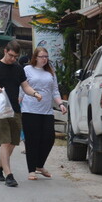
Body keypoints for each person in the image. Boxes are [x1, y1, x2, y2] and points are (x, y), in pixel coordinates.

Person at [0, 40, 43, 188]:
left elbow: (26, 86)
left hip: (15, 109)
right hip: (1, 109)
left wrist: (34, 93)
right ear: (5, 51)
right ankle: (9, 174)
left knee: (13, 142)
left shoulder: (18, 68)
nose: (13, 59)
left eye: (15, 56)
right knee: (5, 141)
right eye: (11, 55)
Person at [19, 47, 66, 180]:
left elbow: (55, 91)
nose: (45, 59)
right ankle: (31, 170)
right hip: (30, 109)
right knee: (32, 140)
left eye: (46, 56)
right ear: (35, 57)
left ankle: (40, 165)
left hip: (47, 111)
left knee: (49, 138)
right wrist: (17, 104)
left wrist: (61, 104)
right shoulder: (27, 70)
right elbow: (22, 89)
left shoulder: (50, 71)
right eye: (42, 56)